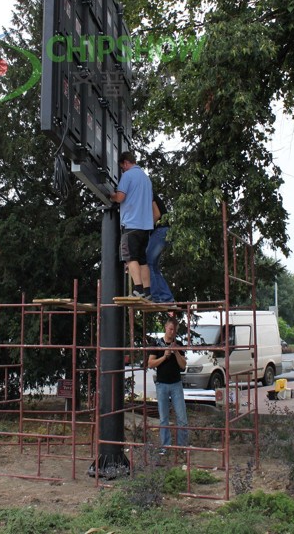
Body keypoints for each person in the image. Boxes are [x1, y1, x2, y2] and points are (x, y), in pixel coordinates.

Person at [110, 151, 153, 299]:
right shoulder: (146, 179)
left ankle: (138, 290)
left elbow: (120, 197)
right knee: (142, 260)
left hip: (131, 224)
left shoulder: (128, 176)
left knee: (130, 258)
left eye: (122, 167)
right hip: (145, 226)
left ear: (126, 163)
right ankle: (147, 292)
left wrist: (112, 195)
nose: (123, 170)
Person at [147, 316, 188, 451]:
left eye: (174, 330)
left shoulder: (179, 344)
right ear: (165, 328)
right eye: (170, 329)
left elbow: (183, 366)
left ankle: (182, 447)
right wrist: (164, 356)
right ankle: (165, 446)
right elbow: (151, 363)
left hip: (176, 384)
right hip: (162, 384)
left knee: (182, 418)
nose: (172, 332)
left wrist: (175, 352)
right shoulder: (156, 344)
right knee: (163, 418)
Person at [146, 191, 174, 304]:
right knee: (154, 267)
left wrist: (146, 228)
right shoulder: (150, 194)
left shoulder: (148, 194)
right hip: (164, 232)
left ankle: (155, 296)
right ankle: (167, 297)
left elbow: (157, 215)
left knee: (147, 263)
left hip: (160, 230)